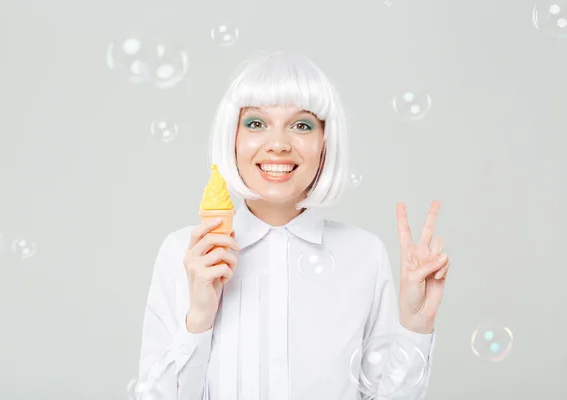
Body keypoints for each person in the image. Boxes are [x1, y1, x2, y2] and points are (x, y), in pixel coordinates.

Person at [136, 51, 451, 400]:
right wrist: (198, 317)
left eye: (301, 125)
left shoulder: (365, 255)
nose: (278, 144)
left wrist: (415, 326)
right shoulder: (185, 254)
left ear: (325, 143)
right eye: (256, 123)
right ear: (232, 138)